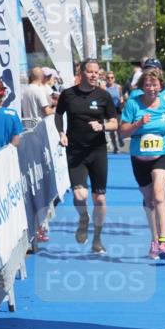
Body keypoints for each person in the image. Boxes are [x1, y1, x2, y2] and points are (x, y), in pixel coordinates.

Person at [54, 59, 117, 255]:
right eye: (89, 72)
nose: (93, 75)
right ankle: (83, 218)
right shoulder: (68, 94)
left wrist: (103, 126)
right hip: (75, 151)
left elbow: (115, 122)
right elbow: (58, 114)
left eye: (96, 72)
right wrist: (61, 133)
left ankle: (97, 239)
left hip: (97, 151)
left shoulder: (104, 96)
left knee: (99, 199)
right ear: (81, 73)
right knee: (80, 196)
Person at [120, 69, 165, 260]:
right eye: (147, 85)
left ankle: (163, 241)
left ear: (161, 85)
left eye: (155, 84)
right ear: (142, 87)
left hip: (162, 155)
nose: (151, 88)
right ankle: (153, 240)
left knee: (159, 196)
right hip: (139, 158)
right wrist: (137, 124)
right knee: (149, 200)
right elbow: (122, 132)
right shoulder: (133, 104)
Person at [103, 70, 122, 153]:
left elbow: (121, 97)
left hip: (117, 109)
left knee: (118, 127)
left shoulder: (118, 87)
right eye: (108, 78)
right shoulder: (104, 88)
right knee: (111, 129)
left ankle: (120, 139)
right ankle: (115, 147)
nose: (110, 79)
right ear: (106, 79)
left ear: (114, 79)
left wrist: (122, 101)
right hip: (109, 110)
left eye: (112, 78)